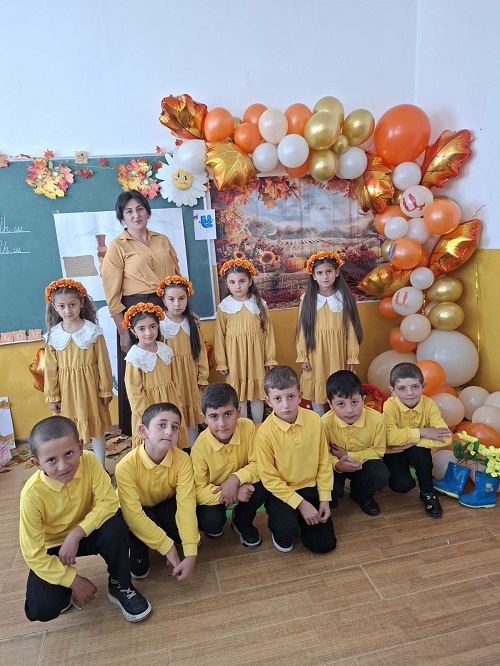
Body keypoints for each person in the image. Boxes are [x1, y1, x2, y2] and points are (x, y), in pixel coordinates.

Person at [20, 416, 151, 623]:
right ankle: (62, 591)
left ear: (80, 447)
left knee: (116, 526)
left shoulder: (89, 461)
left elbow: (109, 501)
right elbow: (33, 554)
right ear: (37, 463)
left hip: (88, 531)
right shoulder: (31, 496)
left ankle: (120, 584)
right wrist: (74, 581)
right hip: (53, 546)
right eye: (51, 460)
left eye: (69, 453)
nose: (63, 466)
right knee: (41, 608)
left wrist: (77, 533)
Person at [100, 190, 180, 436]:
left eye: (140, 209)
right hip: (135, 316)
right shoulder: (117, 247)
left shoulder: (162, 240)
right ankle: (142, 431)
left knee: (166, 366)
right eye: (129, 211)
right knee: (138, 375)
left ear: (147, 211)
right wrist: (124, 332)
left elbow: (177, 279)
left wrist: (185, 311)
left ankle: (171, 425)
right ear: (122, 217)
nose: (136, 215)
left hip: (165, 309)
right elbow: (112, 295)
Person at [256, 365, 336, 554]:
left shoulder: (314, 420)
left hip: (310, 486)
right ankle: (284, 523)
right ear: (268, 401)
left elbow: (324, 462)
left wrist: (325, 499)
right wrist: (301, 504)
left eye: (291, 396)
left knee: (325, 545)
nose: (285, 405)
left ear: (300, 395)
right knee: (287, 531)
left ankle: (301, 517)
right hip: (282, 492)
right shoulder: (264, 433)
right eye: (278, 398)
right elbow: (269, 478)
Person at [115, 403, 199, 582]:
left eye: (174, 427)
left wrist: (191, 552)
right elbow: (133, 515)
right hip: (133, 511)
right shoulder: (125, 467)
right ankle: (140, 551)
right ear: (143, 431)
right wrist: (168, 547)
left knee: (182, 516)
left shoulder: (183, 459)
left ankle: (171, 536)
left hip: (163, 504)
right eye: (162, 425)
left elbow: (186, 504)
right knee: (129, 523)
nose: (169, 431)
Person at [44, 278, 112, 468]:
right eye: (62, 306)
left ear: (81, 303)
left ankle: (100, 468)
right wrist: (53, 396)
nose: (68, 310)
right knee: (74, 432)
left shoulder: (93, 331)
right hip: (68, 393)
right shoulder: (53, 336)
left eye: (72, 304)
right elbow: (50, 370)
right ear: (55, 307)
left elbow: (103, 363)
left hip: (91, 389)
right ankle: (83, 469)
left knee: (96, 429)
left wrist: (105, 389)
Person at [191, 383, 266, 548]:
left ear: (238, 411)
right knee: (210, 522)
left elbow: (259, 464)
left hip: (243, 482)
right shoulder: (199, 449)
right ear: (204, 418)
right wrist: (232, 493)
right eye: (214, 416)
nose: (222, 423)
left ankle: (241, 522)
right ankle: (217, 523)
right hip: (215, 491)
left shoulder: (247, 427)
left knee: (264, 485)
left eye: (228, 414)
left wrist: (235, 480)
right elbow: (197, 490)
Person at [296, 250, 363, 416]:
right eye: (320, 273)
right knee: (317, 389)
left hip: (337, 352)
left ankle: (337, 420)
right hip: (315, 351)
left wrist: (352, 356)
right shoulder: (307, 299)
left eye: (329, 271)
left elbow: (352, 330)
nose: (325, 276)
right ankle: (320, 420)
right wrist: (303, 356)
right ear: (313, 276)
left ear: (337, 272)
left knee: (338, 388)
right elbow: (302, 329)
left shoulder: (345, 298)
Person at [383, 362, 452, 518]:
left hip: (413, 449)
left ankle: (428, 493)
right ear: (392, 391)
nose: (409, 393)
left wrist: (413, 441)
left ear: (423, 386)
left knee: (421, 454)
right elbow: (390, 437)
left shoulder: (429, 404)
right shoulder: (389, 406)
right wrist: (423, 432)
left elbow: (446, 437)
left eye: (415, 386)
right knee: (402, 485)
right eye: (402, 388)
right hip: (393, 452)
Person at [215, 258, 277, 424]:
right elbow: (220, 336)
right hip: (235, 358)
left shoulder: (259, 304)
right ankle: (244, 428)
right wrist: (222, 362)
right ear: (227, 284)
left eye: (242, 281)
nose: (237, 286)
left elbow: (268, 333)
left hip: (256, 356)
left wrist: (270, 358)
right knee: (239, 394)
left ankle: (257, 426)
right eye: (232, 282)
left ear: (250, 281)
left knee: (257, 393)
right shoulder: (224, 307)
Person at [322, 370, 389, 516]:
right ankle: (332, 494)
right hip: (336, 465)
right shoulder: (324, 423)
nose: (350, 410)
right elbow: (323, 454)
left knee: (380, 474)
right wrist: (337, 464)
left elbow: (378, 451)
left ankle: (362, 496)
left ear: (363, 400)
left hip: (363, 463)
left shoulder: (377, 419)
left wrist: (348, 455)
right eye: (341, 404)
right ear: (330, 404)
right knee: (329, 486)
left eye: (354, 402)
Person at [123, 302, 189, 449]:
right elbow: (134, 393)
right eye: (142, 328)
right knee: (154, 442)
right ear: (133, 331)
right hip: (149, 406)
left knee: (171, 437)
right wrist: (148, 415)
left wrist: (177, 400)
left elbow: (174, 379)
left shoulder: (164, 349)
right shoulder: (134, 357)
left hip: (169, 400)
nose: (148, 332)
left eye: (152, 326)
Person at [157, 275, 209, 446]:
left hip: (190, 377)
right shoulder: (160, 325)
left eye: (181, 298)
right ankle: (176, 450)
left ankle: (193, 450)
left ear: (187, 298)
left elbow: (200, 352)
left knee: (191, 414)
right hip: (171, 379)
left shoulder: (191, 323)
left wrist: (202, 376)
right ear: (163, 300)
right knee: (174, 413)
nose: (177, 304)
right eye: (171, 299)